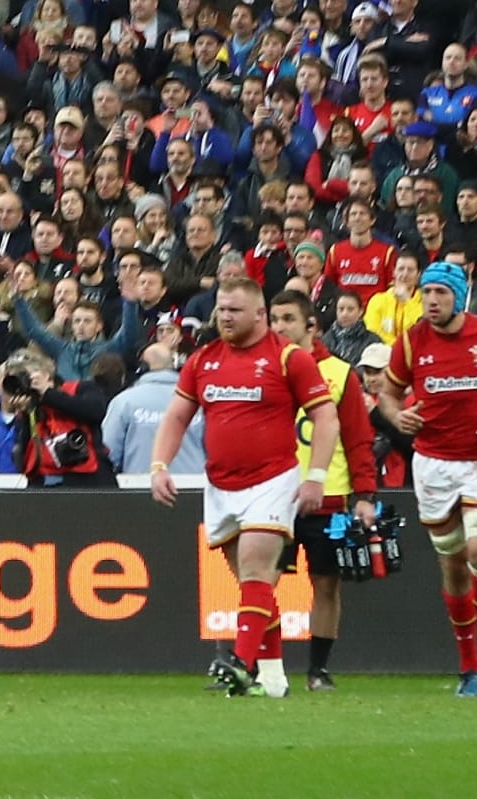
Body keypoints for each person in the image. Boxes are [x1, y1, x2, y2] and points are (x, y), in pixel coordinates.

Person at [146, 273, 341, 699]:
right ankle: (272, 680)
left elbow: (326, 417)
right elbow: (177, 417)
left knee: (256, 569)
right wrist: (159, 464)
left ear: (259, 314)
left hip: (273, 479)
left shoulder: (289, 358)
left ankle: (238, 661)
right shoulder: (203, 359)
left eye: (235, 310)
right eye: (221, 308)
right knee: (253, 587)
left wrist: (316, 477)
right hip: (221, 484)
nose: (225, 316)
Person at [375, 262, 477, 696]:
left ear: (458, 296)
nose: (431, 300)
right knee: (452, 564)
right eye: (426, 292)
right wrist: (397, 415)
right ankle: (467, 666)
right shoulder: (410, 344)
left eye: (441, 293)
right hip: (434, 464)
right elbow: (386, 394)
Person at [274, 289, 379, 691]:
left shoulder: (338, 372)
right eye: (274, 318)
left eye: (288, 319)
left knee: (326, 585)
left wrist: (365, 494)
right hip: (274, 496)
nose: (279, 327)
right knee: (260, 581)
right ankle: (261, 664)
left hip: (329, 499)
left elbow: (357, 437)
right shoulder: (265, 369)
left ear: (310, 326)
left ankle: (317, 669)